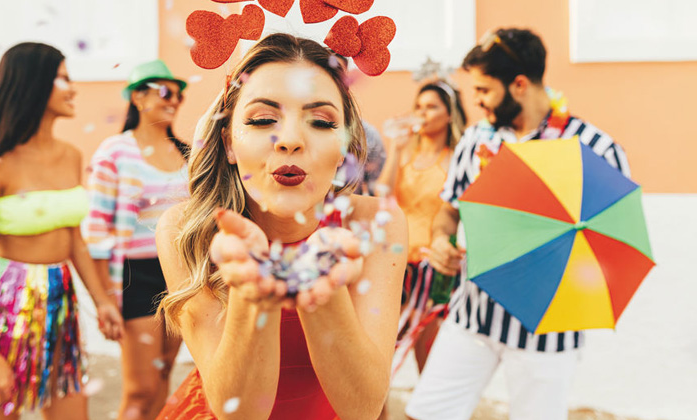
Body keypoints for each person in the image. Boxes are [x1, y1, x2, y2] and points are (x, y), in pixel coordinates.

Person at [154, 33, 408, 420]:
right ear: (228, 144)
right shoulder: (185, 230)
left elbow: (362, 408)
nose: (289, 140)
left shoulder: (376, 225)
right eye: (262, 119)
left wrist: (320, 286)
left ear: (343, 148)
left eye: (321, 122)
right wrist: (252, 293)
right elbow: (237, 413)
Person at [405, 28, 631, 420]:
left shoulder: (596, 149)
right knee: (424, 414)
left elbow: (611, 242)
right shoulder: (477, 139)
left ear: (520, 84)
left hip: (548, 333)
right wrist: (440, 239)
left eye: (484, 90)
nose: (475, 101)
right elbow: (449, 211)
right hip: (472, 316)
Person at [0, 42, 124, 419]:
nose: (72, 87)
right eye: (62, 77)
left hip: (60, 303)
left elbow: (75, 238)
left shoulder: (71, 155)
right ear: (32, 84)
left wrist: (102, 300)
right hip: (6, 309)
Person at [84, 59, 190, 420]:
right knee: (140, 389)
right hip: (134, 277)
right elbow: (96, 229)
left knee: (163, 375)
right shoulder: (114, 152)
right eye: (164, 91)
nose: (173, 99)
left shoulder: (188, 155)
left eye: (178, 93)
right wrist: (104, 300)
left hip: (179, 274)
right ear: (138, 98)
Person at [378, 78, 467, 374]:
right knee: (384, 348)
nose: (423, 113)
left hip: (432, 265)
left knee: (426, 353)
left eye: (431, 107)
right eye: (419, 107)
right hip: (397, 260)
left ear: (449, 114)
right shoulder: (404, 153)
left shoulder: (455, 160)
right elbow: (383, 195)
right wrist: (395, 148)